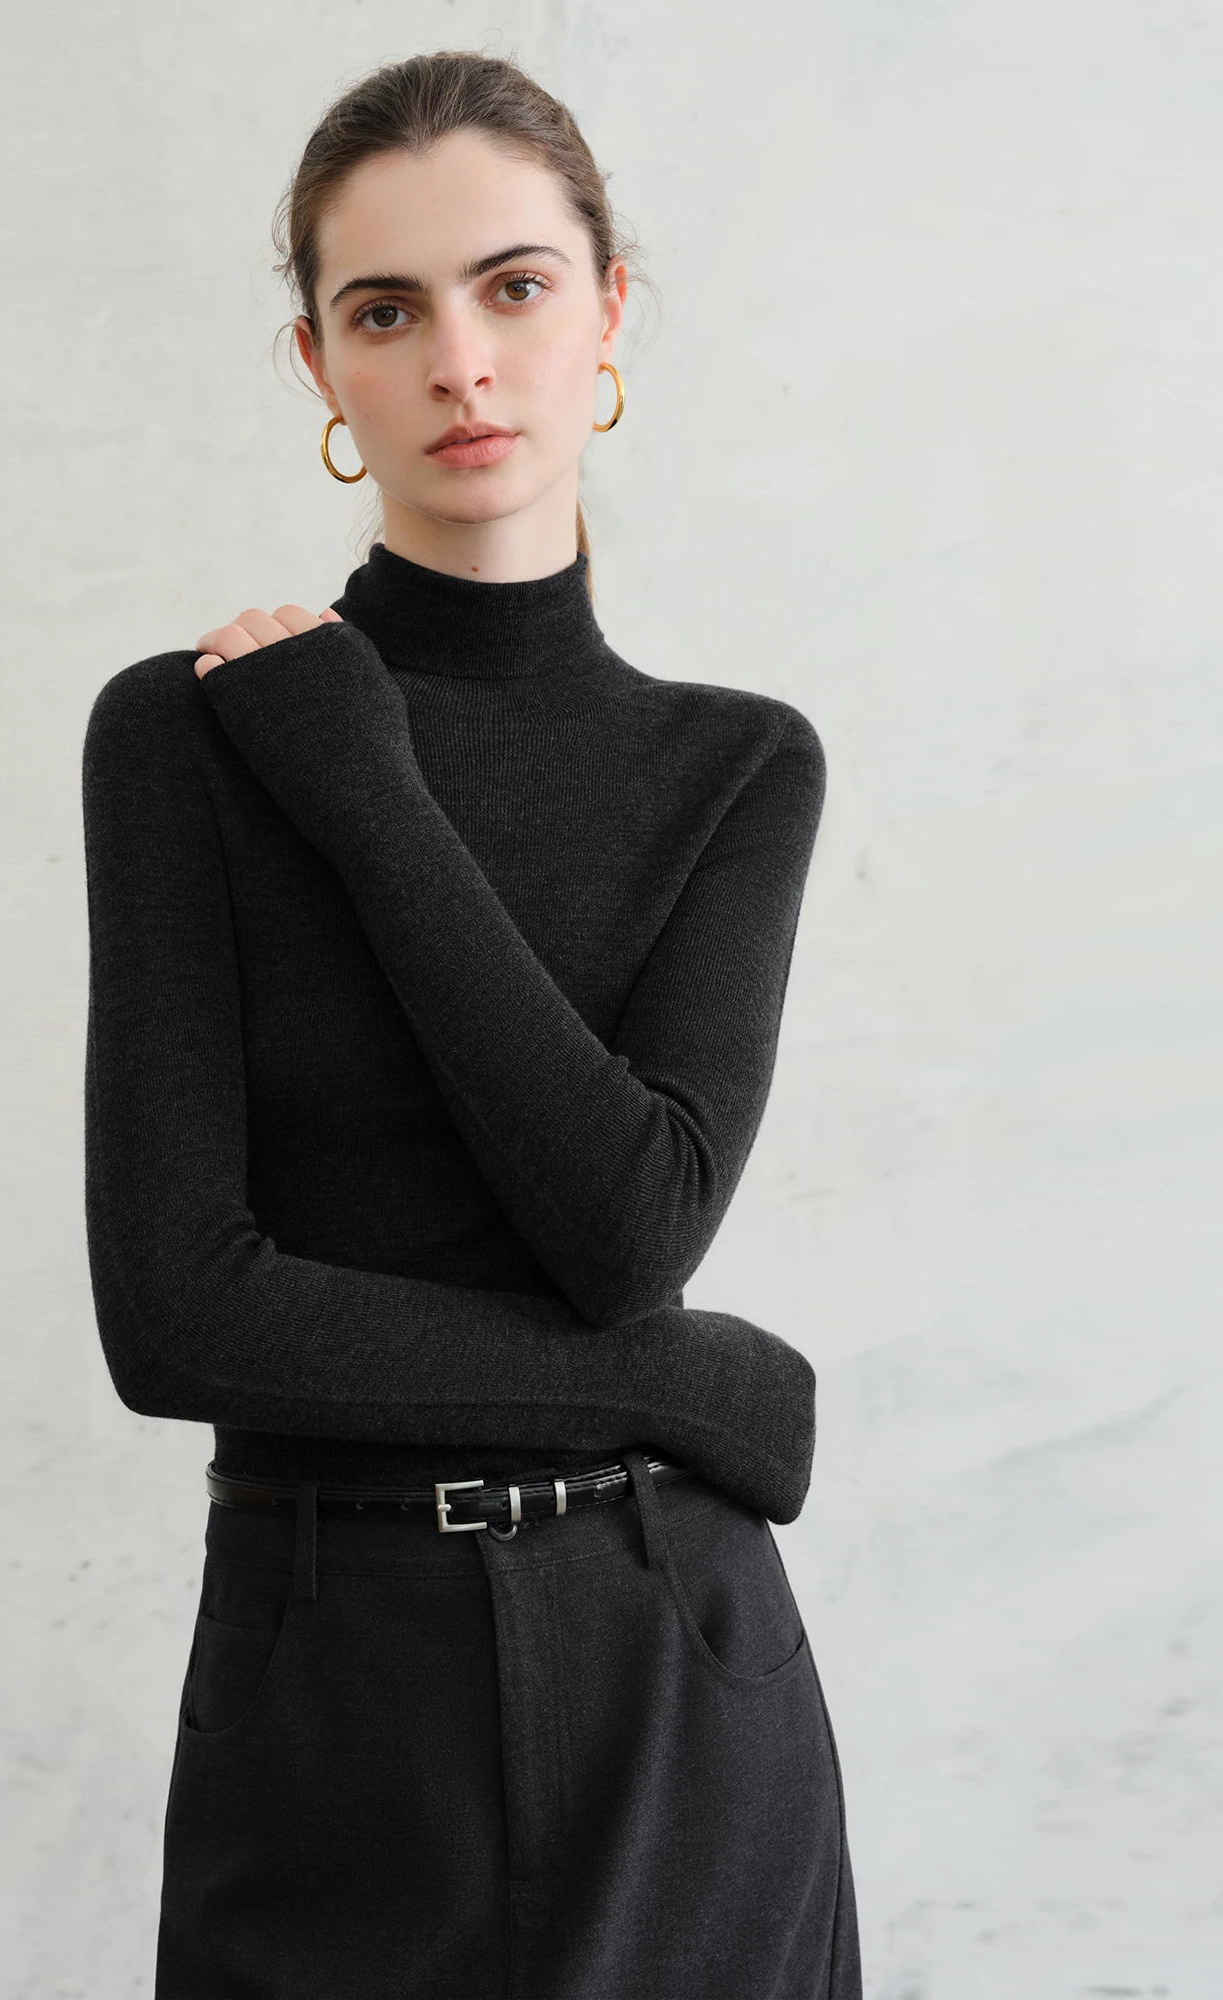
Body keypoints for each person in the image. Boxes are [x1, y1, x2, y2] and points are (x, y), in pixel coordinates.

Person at [81, 48, 861, 2000]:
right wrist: (683, 1386)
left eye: (515, 285)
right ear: (318, 366)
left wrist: (374, 795)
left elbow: (627, 1224)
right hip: (331, 1675)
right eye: (385, 309)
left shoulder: (735, 767)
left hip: (674, 1665)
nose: (461, 360)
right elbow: (179, 1314)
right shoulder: (188, 734)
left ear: (609, 311)